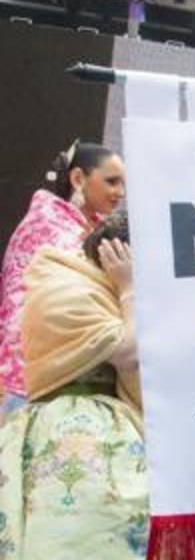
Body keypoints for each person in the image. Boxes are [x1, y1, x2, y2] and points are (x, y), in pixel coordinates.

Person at [0, 213, 147, 557]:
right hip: (70, 429)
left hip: (108, 424)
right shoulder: (67, 288)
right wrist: (128, 289)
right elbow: (130, 351)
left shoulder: (89, 284)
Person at [0, 140, 125, 416]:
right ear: (78, 178)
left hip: (42, 376)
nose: (120, 192)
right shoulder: (50, 228)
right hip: (31, 382)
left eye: (122, 184)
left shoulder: (69, 222)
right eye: (112, 181)